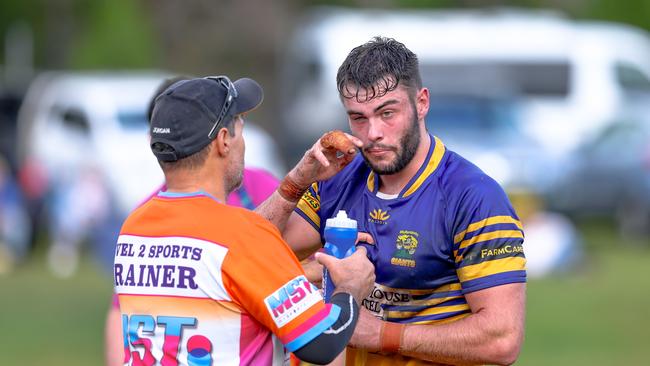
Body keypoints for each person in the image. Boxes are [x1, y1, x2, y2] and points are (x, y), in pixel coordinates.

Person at [256, 37, 527, 365]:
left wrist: (381, 334)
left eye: (387, 113)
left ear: (422, 102)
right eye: (358, 118)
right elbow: (249, 253)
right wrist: (297, 180)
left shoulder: (473, 196)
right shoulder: (338, 177)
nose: (373, 133)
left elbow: (502, 340)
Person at [113, 75, 375, 365]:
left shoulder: (134, 228)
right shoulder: (241, 236)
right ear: (224, 141)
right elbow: (322, 342)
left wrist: (297, 181)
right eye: (240, 127)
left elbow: (226, 276)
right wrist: (350, 287)